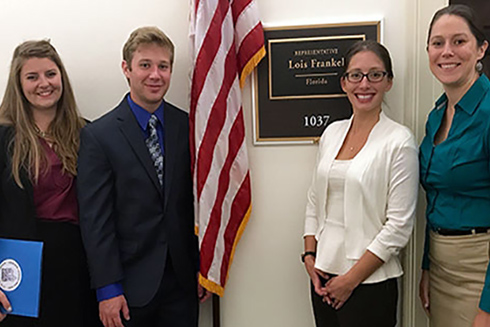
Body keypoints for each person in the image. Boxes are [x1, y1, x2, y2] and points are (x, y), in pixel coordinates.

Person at [77, 26, 208, 327]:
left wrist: (202, 270)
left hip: (183, 287)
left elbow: (197, 203)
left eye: (163, 66)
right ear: (127, 69)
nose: (155, 75)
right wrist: (107, 289)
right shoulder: (98, 136)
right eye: (145, 65)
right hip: (127, 291)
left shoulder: (186, 126)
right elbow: (96, 220)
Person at [302, 40, 418, 327]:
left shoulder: (399, 141)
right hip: (323, 275)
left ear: (389, 82)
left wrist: (351, 280)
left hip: (370, 282)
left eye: (375, 74)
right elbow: (315, 199)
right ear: (344, 82)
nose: (364, 84)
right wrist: (309, 255)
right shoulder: (332, 133)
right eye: (356, 75)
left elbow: (399, 225)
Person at [0, 40, 100, 327]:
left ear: (61, 78)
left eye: (50, 74)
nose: (43, 83)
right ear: (19, 84)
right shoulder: (4, 137)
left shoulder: (89, 134)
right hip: (19, 269)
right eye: (32, 77)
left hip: (77, 268)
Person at [419, 4, 490, 327]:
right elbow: (434, 198)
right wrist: (428, 267)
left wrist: (487, 307)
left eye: (459, 41)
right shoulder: (435, 117)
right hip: (441, 267)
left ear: (481, 49)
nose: (447, 52)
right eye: (437, 43)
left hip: (481, 271)